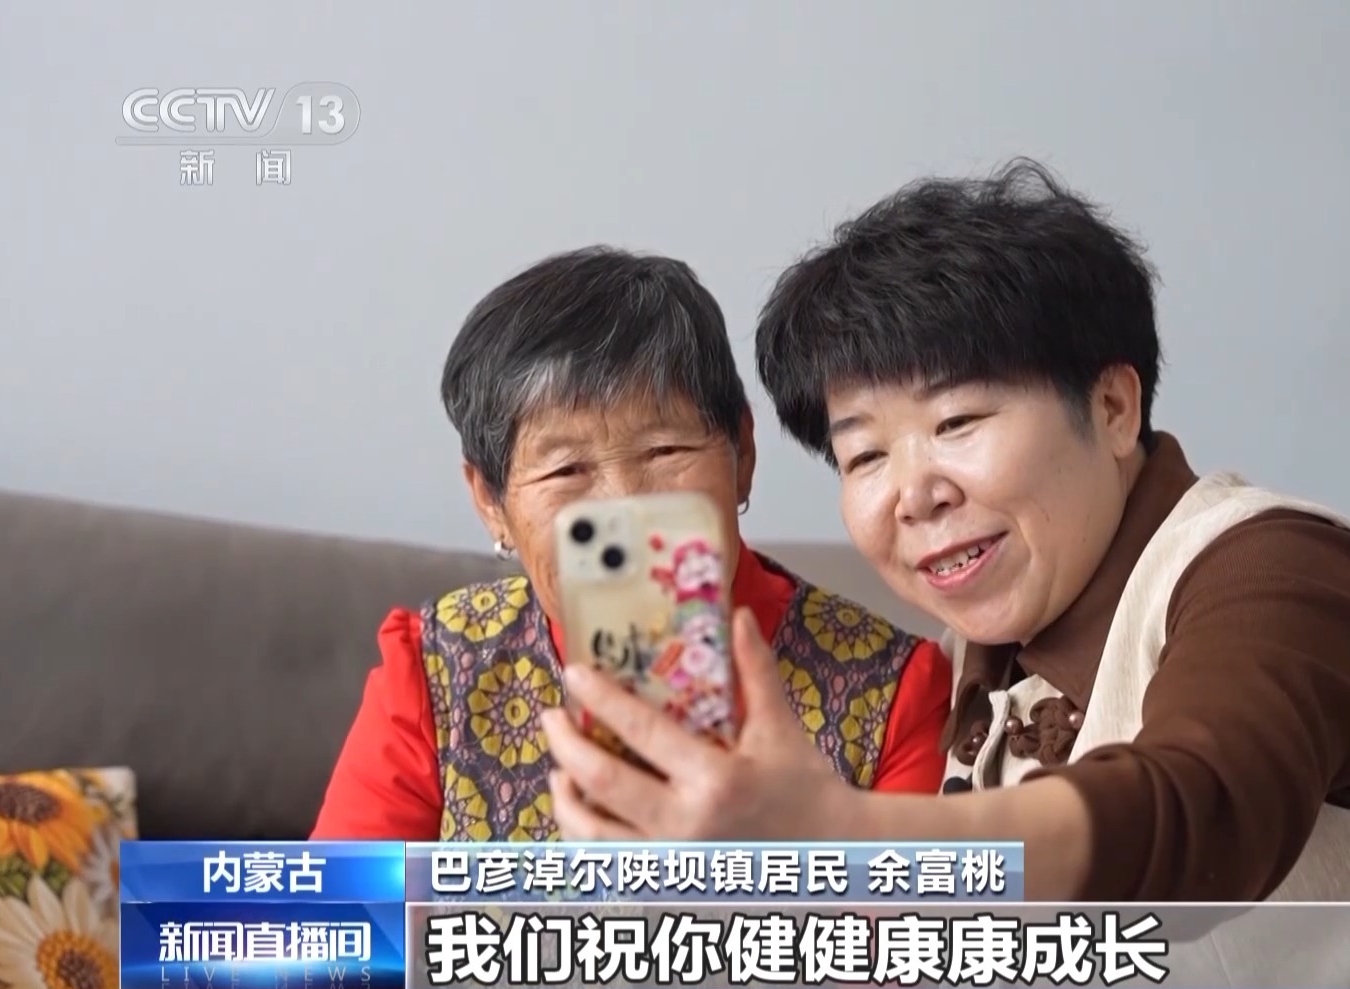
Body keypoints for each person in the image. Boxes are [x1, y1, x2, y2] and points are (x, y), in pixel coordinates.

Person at [537, 164, 1350, 907]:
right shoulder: (970, 663)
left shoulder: (1279, 572)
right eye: (865, 453)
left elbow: (1194, 811)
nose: (913, 493)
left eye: (958, 421)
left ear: (1113, 407)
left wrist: (847, 839)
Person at [311, 247, 953, 842]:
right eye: (566, 470)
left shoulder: (898, 690)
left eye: (664, 450)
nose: (625, 507)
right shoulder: (433, 673)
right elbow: (332, 919)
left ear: (743, 454)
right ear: (490, 502)